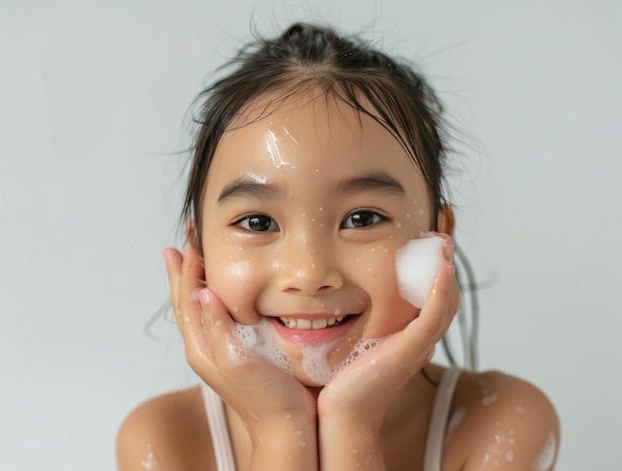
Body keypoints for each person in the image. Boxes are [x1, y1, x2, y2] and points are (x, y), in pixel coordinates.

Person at [116, 23, 559, 471]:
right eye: (258, 222)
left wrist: (353, 428)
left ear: (436, 238)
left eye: (362, 219)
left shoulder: (499, 425)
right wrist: (280, 430)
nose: (309, 273)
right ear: (200, 255)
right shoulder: (165, 443)